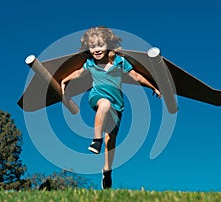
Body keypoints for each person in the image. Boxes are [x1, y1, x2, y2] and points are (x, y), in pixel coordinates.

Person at [61, 26, 161, 189]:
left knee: (111, 140)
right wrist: (65, 79)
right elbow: (78, 73)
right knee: (104, 104)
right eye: (92, 46)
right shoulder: (90, 63)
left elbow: (135, 75)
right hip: (97, 96)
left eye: (100, 45)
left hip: (118, 104)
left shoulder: (120, 62)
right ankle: (96, 141)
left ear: (108, 45)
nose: (96, 50)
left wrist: (153, 87)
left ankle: (107, 171)